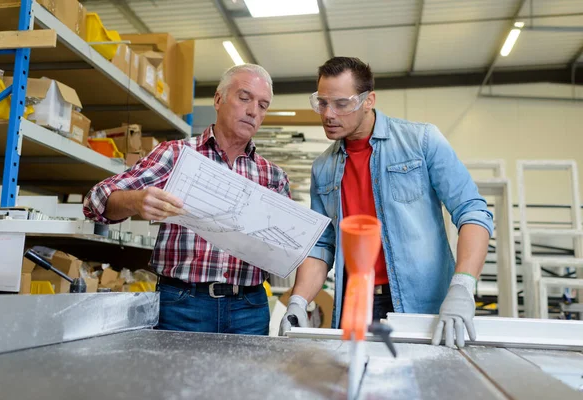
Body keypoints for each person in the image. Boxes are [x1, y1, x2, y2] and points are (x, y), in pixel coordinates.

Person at [279, 57, 493, 348]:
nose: (328, 114)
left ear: (369, 100)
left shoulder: (422, 141)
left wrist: (463, 287)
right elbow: (322, 246)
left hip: (422, 306)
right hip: (355, 306)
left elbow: (473, 212)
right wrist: (298, 301)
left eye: (341, 104)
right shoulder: (322, 168)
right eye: (322, 102)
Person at [84, 64, 290, 335]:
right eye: (244, 98)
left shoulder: (272, 176)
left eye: (263, 105)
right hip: (182, 304)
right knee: (174, 379)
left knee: (245, 379)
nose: (253, 111)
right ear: (218, 99)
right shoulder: (176, 155)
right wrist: (136, 200)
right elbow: (95, 201)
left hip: (249, 308)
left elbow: (285, 249)